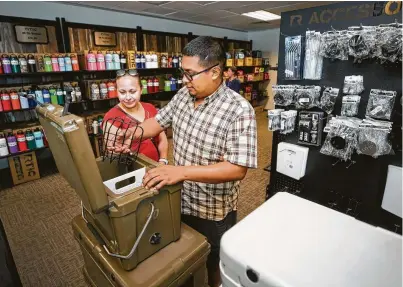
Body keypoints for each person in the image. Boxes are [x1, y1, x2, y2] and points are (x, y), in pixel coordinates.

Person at [110, 36, 257, 287]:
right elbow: (158, 122)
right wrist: (129, 134)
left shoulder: (239, 111)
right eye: (183, 73)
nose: (184, 80)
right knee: (185, 262)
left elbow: (237, 168)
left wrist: (181, 172)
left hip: (212, 211)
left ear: (215, 72)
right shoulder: (182, 96)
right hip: (179, 199)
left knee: (213, 268)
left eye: (190, 74)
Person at [102, 69, 169, 164]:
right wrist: (120, 152)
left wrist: (163, 161)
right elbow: (113, 154)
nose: (128, 97)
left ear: (141, 90)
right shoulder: (111, 117)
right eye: (122, 92)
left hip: (155, 165)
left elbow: (162, 138)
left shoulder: (150, 108)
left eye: (132, 91)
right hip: (132, 169)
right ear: (117, 91)